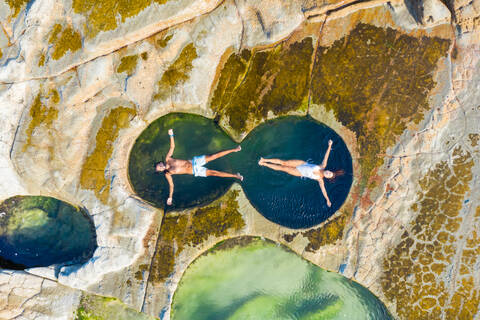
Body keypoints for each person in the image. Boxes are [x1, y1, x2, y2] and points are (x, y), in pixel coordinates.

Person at [155, 129, 243, 205]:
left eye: (159, 165)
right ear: (161, 171)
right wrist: (170, 197)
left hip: (195, 161)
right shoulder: (168, 174)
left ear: (160, 163)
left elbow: (172, 147)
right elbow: (171, 185)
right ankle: (235, 175)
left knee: (214, 156)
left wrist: (171, 135)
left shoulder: (168, 159)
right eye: (160, 169)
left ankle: (234, 150)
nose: (161, 167)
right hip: (196, 171)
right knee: (215, 173)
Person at [258, 139, 342, 207]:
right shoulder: (323, 166)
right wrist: (330, 145)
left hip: (299, 172)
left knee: (282, 168)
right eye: (329, 172)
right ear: (329, 170)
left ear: (327, 178)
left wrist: (327, 199)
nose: (328, 173)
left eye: (328, 175)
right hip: (302, 164)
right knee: (284, 163)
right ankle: (264, 159)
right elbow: (326, 156)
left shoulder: (320, 180)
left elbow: (323, 190)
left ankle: (264, 164)